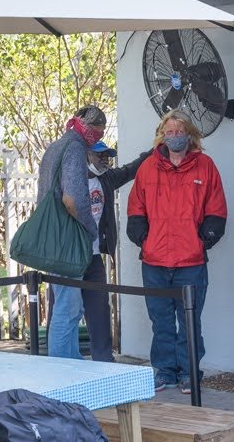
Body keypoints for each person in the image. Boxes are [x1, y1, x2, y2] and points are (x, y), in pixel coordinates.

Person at [127, 109, 227, 393]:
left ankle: (189, 372)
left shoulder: (205, 167)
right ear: (162, 135)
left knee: (190, 320)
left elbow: (216, 207)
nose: (174, 136)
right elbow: (136, 206)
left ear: (190, 133)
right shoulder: (148, 167)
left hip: (190, 261)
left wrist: (204, 238)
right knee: (160, 320)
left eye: (179, 131)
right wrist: (142, 237)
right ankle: (164, 372)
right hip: (155, 260)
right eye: (168, 132)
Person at [37, 105, 105, 359]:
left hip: (53, 236)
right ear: (91, 128)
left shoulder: (55, 146)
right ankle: (63, 368)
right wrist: (90, 229)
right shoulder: (75, 148)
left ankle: (69, 361)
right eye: (98, 133)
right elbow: (73, 199)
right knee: (68, 308)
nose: (98, 138)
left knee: (67, 305)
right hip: (69, 239)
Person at [78, 141, 152, 362]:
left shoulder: (106, 179)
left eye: (107, 155)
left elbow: (131, 169)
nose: (104, 159)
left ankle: (103, 359)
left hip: (93, 255)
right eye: (99, 155)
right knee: (66, 310)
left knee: (99, 307)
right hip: (68, 257)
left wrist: (155, 149)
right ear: (86, 155)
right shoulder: (72, 178)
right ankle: (63, 361)